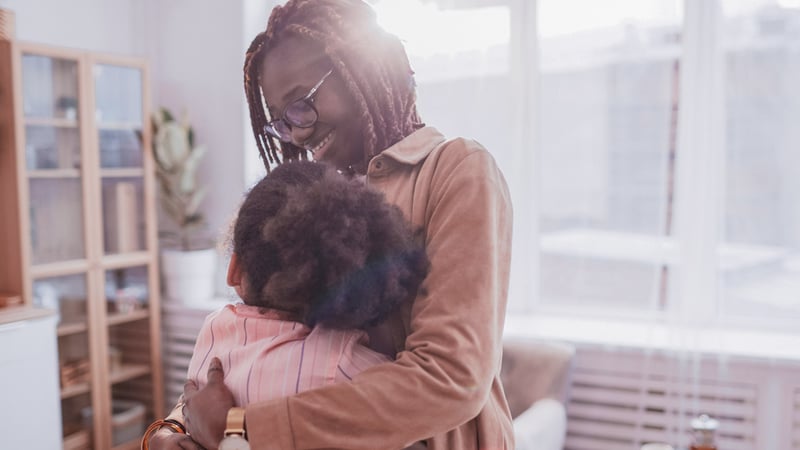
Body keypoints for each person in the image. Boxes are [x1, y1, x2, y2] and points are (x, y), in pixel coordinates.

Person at [149, 0, 514, 448]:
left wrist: (242, 427)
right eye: (281, 122)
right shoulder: (316, 195)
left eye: (302, 104)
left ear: (361, 67)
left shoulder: (458, 170)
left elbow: (451, 377)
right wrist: (173, 432)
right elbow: (260, 349)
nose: (298, 134)